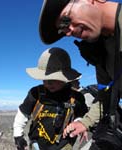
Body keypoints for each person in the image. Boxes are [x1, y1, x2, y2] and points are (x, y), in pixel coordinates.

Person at [38, 0, 122, 149]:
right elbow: (105, 96)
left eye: (65, 20)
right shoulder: (101, 51)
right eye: (62, 30)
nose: (68, 32)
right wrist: (85, 122)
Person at [13, 47, 88, 150]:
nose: (48, 83)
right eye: (45, 79)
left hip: (64, 146)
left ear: (65, 78)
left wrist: (79, 122)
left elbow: (82, 115)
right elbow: (23, 113)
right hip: (37, 145)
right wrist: (18, 136)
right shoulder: (36, 93)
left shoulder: (76, 98)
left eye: (54, 79)